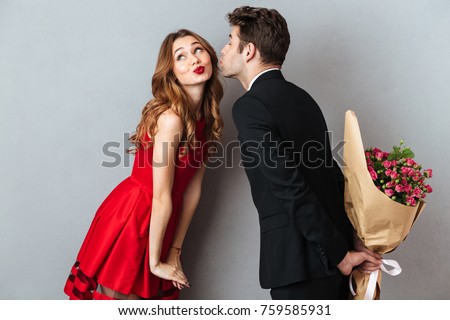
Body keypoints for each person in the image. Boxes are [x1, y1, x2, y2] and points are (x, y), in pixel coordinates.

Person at [220, 6, 381, 299]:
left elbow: (288, 186)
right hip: (332, 261)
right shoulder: (303, 98)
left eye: (231, 41)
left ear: (249, 51)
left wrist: (341, 254)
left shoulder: (249, 106)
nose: (224, 49)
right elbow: (331, 176)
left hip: (299, 265)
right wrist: (350, 241)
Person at [64, 29, 223, 300]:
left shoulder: (206, 122)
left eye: (198, 50)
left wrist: (174, 250)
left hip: (162, 218)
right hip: (135, 216)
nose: (194, 59)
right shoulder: (171, 120)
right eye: (181, 57)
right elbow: (161, 195)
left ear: (209, 56)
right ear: (172, 73)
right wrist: (154, 262)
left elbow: (192, 190)